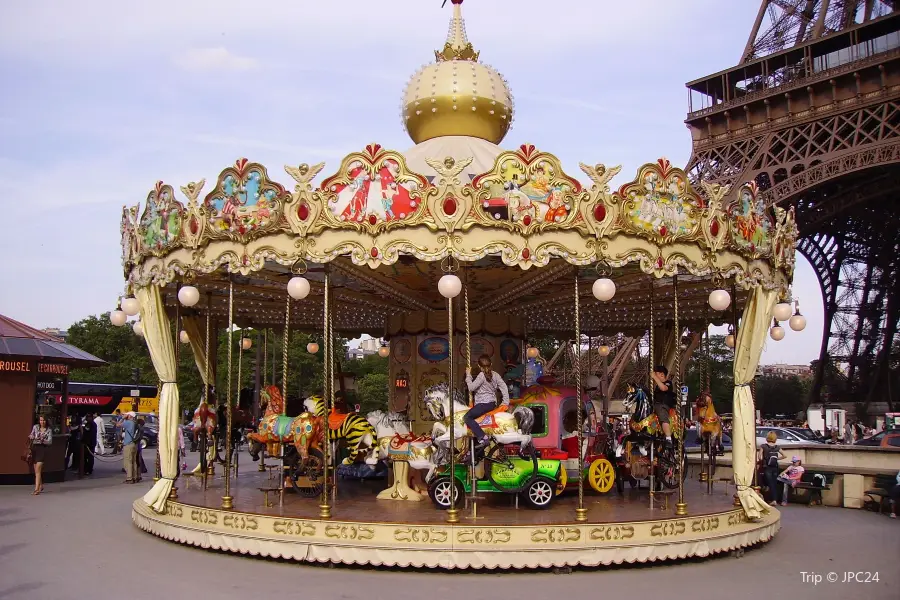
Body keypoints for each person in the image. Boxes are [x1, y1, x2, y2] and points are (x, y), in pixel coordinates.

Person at [464, 354, 510, 450]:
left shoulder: (481, 375)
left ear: (479, 366)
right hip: (491, 404)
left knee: (467, 417)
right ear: (491, 364)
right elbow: (504, 387)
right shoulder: (496, 375)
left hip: (482, 404)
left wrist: (468, 375)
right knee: (476, 424)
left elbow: (471, 388)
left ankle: (483, 438)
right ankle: (475, 452)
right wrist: (505, 402)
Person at [650, 365, 676, 448]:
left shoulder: (668, 383)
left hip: (663, 405)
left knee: (662, 415)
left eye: (656, 373)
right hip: (655, 405)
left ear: (662, 375)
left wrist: (654, 377)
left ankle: (668, 438)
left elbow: (663, 388)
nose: (654, 375)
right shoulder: (657, 386)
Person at [758, 431, 785, 505]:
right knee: (774, 483)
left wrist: (763, 460)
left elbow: (759, 457)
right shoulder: (777, 447)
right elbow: (784, 455)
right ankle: (774, 499)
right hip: (775, 467)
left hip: (767, 467)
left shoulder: (763, 446)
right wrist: (777, 459)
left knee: (768, 483)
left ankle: (773, 500)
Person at [28, 415, 53, 495]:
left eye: (44, 420)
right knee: (36, 470)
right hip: (34, 448)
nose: (42, 422)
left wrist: (43, 441)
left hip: (42, 449)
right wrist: (31, 436)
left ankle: (36, 489)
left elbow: (50, 441)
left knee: (38, 469)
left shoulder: (49, 430)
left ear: (46, 421)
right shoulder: (35, 427)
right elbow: (31, 435)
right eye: (41, 420)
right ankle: (41, 485)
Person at [122, 412, 139, 483]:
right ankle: (134, 477)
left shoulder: (128, 422)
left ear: (130, 416)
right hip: (134, 444)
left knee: (127, 462)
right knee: (133, 461)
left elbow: (117, 425)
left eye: (127, 414)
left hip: (128, 444)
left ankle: (129, 478)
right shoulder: (135, 423)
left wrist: (122, 418)